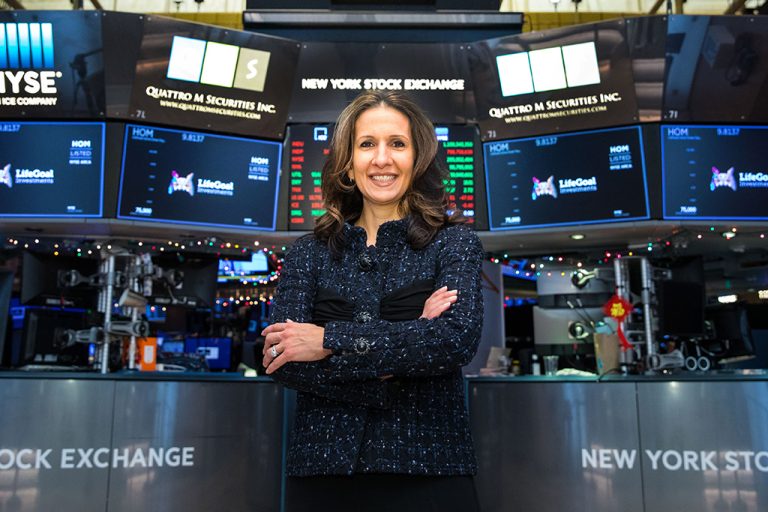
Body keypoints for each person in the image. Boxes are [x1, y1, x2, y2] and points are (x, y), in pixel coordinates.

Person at [262, 90, 485, 512]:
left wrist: (328, 339)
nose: (382, 159)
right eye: (367, 144)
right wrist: (412, 337)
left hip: (430, 468)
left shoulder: (454, 243)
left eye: (397, 144)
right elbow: (282, 358)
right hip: (323, 471)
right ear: (347, 161)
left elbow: (454, 341)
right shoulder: (307, 252)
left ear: (418, 157)